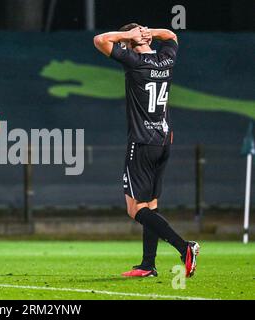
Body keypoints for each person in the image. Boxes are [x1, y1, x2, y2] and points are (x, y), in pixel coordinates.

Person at [93, 24, 199, 277]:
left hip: (141, 143)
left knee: (135, 209)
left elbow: (100, 39)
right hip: (163, 141)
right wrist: (150, 31)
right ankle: (147, 265)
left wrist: (129, 36)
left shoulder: (135, 62)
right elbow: (172, 35)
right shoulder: (166, 59)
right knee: (150, 205)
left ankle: (184, 247)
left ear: (129, 43)